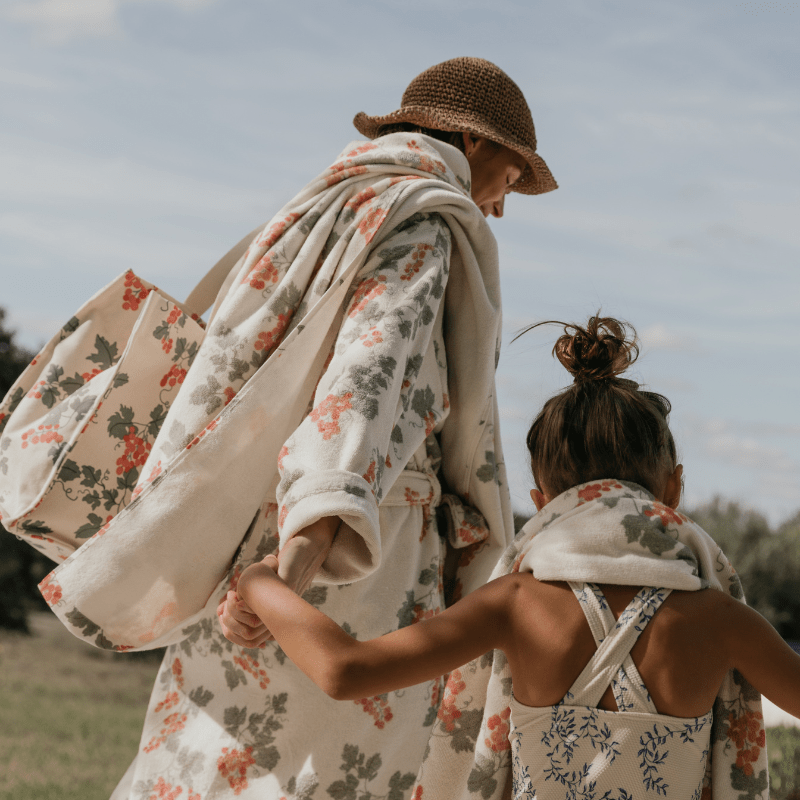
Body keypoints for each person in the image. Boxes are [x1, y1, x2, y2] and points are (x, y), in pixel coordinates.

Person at [64, 56, 557, 800]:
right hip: (351, 548)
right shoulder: (423, 223)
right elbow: (364, 381)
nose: (500, 205)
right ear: (472, 140)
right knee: (316, 775)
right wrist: (297, 562)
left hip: (260, 522)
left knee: (210, 754)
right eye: (511, 178)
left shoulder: (323, 207)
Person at [229, 316, 795, 799]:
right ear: (672, 491)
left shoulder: (517, 604)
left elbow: (344, 670)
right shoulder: (720, 620)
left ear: (544, 504)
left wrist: (259, 581)